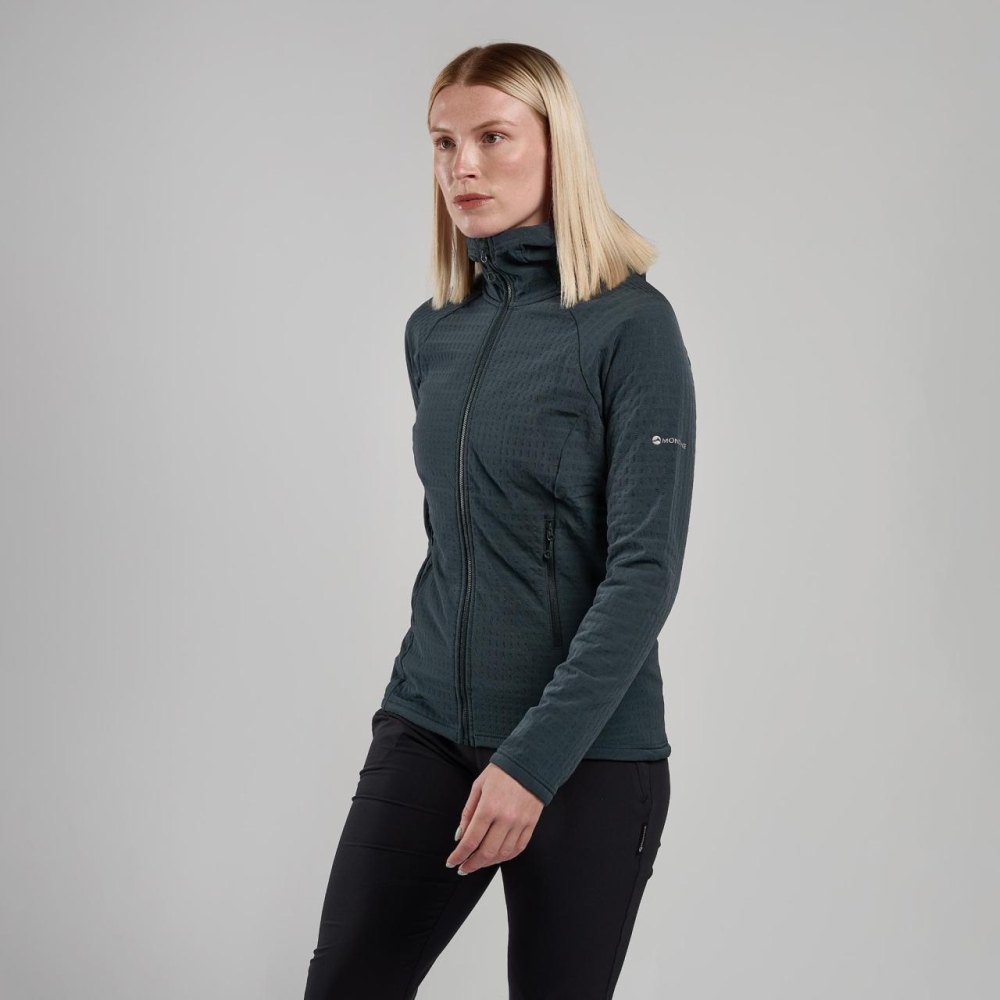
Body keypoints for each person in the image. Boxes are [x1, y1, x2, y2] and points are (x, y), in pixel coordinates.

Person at [303, 41, 697, 999]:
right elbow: (455, 542)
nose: (462, 167)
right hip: (429, 726)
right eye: (444, 143)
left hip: (587, 753)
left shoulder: (632, 328)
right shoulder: (433, 331)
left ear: (559, 147)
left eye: (492, 138)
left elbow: (644, 572)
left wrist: (532, 762)